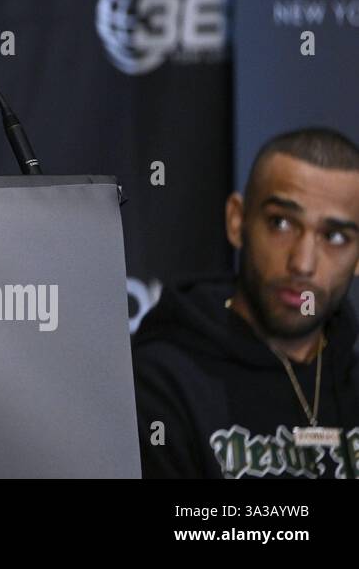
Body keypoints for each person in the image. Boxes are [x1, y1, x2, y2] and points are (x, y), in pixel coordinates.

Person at [132, 127, 359, 478]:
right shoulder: (161, 382)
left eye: (334, 236)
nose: (303, 263)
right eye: (281, 223)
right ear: (237, 221)